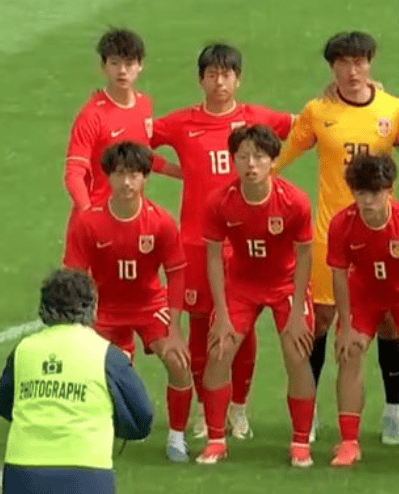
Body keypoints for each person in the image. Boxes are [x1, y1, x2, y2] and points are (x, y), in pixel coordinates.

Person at [275, 31, 399, 444]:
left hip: (383, 234)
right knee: (323, 321)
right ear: (332, 68)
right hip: (331, 235)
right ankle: (310, 413)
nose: (351, 70)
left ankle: (392, 412)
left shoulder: (393, 109)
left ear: (370, 64)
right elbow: (285, 153)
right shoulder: (317, 111)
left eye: (359, 61)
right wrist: (252, 179)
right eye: (342, 63)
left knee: (389, 323)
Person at [152, 44, 293, 440]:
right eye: (212, 75)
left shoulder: (256, 118)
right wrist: (175, 170)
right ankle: (204, 409)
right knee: (201, 328)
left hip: (245, 245)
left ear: (238, 79)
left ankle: (239, 409)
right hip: (198, 244)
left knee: (241, 329)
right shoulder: (181, 122)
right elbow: (136, 141)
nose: (219, 82)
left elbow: (306, 127)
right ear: (201, 79)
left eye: (226, 74)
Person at [63, 142, 193, 463]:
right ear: (108, 176)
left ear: (145, 177)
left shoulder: (160, 222)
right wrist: (80, 324)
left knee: (178, 361)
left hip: (149, 306)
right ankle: (93, 429)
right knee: (86, 367)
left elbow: (176, 273)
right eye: (120, 174)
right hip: (104, 309)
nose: (127, 183)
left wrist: (175, 330)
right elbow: (75, 276)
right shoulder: (89, 222)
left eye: (134, 175)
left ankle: (177, 437)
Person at [197, 125, 316, 466]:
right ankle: (216, 440)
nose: (251, 164)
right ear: (233, 160)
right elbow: (213, 258)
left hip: (284, 285)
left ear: (273, 161)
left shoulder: (294, 201)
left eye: (259, 157)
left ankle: (300, 443)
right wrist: (221, 314)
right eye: (243, 157)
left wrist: (297, 313)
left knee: (296, 352)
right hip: (242, 285)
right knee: (219, 350)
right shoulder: (220, 202)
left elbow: (305, 256)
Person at [0, 268, 153, 494]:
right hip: (87, 473)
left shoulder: (23, 350)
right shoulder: (107, 355)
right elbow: (142, 417)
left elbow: (3, 402)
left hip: (23, 473)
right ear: (92, 307)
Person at [326, 154, 399, 468]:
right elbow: (339, 275)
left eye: (375, 193)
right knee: (350, 352)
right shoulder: (341, 224)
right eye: (360, 193)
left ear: (389, 190)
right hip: (364, 296)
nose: (367, 201)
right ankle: (349, 443)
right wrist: (346, 326)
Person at [64, 28, 178, 228]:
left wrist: (186, 174)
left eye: (129, 63)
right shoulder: (92, 115)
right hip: (97, 219)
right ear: (104, 66)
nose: (122, 71)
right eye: (115, 63)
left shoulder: (144, 104)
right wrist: (90, 216)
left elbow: (144, 157)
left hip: (130, 216)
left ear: (140, 65)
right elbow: (74, 175)